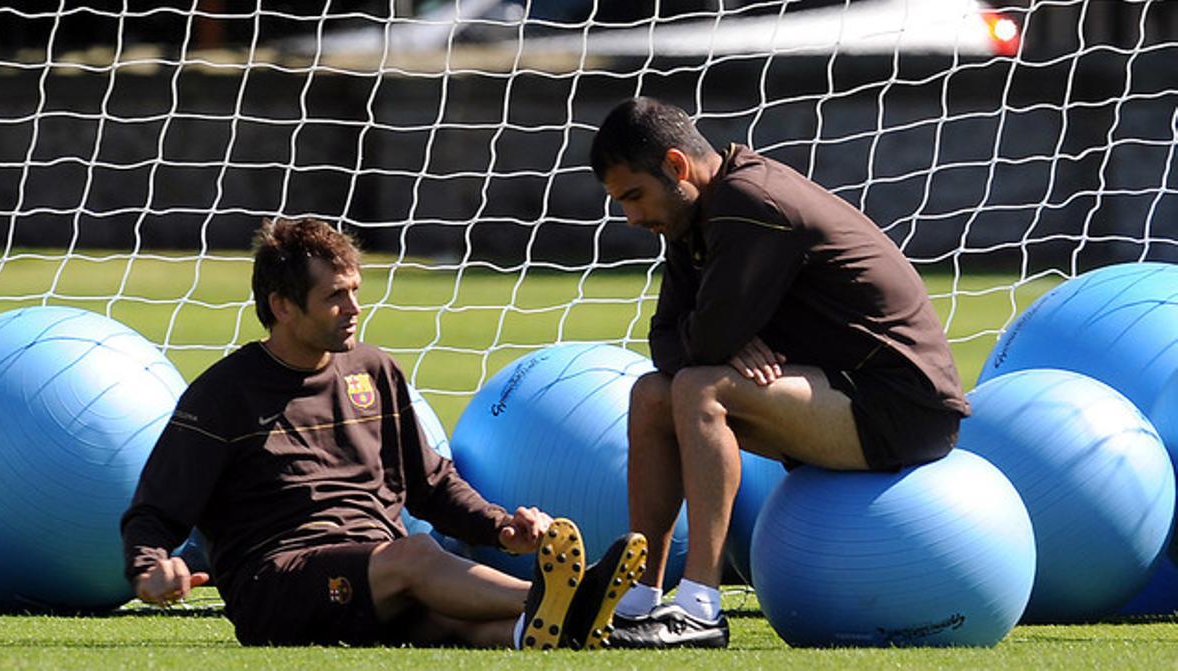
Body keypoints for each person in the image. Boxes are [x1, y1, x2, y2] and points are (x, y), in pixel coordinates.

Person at [121, 217, 647, 649]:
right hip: (278, 588)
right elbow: (155, 509)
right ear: (282, 306)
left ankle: (571, 628)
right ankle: (571, 599)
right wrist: (149, 571)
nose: (353, 309)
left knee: (453, 620)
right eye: (334, 297)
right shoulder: (221, 395)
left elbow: (431, 483)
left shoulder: (373, 371)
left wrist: (501, 528)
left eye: (354, 291)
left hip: (379, 572)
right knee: (416, 557)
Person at [588, 97, 971, 648]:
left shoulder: (749, 201)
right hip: (832, 390)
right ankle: (638, 601)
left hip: (903, 407)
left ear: (676, 166)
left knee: (701, 387)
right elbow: (665, 340)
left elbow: (704, 344)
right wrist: (717, 342)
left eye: (633, 196)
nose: (631, 217)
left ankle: (699, 608)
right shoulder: (690, 218)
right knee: (652, 394)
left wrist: (719, 343)